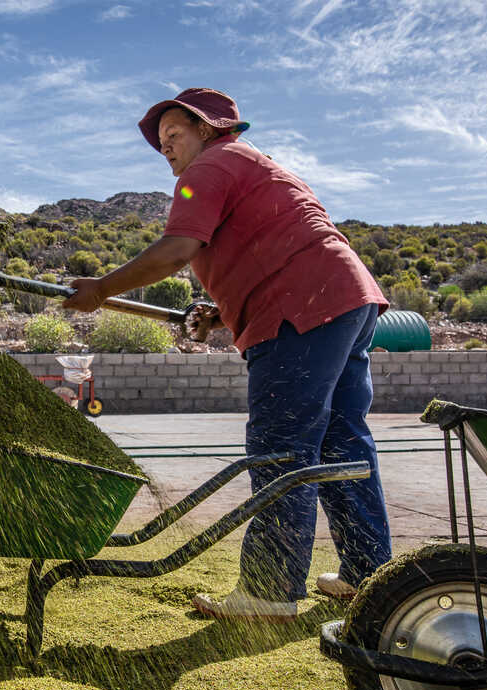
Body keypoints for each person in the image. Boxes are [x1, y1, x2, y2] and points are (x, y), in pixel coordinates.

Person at [62, 87, 391, 621]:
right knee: (341, 442)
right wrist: (220, 309)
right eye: (161, 141)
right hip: (346, 299)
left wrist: (101, 288)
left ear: (210, 128)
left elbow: (177, 249)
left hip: (298, 311)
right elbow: (273, 242)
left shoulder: (208, 169)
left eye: (175, 135)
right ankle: (368, 575)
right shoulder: (251, 166)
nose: (166, 148)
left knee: (282, 444)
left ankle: (270, 591)